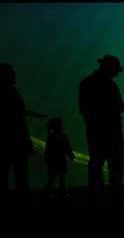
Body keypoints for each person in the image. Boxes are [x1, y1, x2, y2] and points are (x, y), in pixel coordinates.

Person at [78, 55, 124, 208]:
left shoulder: (85, 83)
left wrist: (93, 121)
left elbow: (83, 109)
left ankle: (97, 197)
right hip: (112, 130)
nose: (117, 73)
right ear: (109, 68)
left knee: (95, 164)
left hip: (94, 129)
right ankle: (116, 196)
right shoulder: (111, 85)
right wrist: (120, 109)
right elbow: (117, 108)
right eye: (115, 70)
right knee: (116, 165)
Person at [0, 63, 47, 210]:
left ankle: (5, 202)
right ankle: (23, 202)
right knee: (21, 174)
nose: (14, 80)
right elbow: (19, 114)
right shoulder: (11, 92)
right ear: (9, 76)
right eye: (13, 76)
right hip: (16, 141)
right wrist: (26, 140)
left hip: (3, 141)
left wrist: (35, 115)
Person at [44, 117, 75, 199]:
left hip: (56, 161)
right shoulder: (63, 136)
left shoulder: (51, 137)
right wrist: (70, 155)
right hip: (58, 161)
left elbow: (47, 152)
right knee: (59, 177)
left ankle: (50, 193)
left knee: (55, 177)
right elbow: (68, 148)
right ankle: (61, 193)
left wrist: (47, 161)